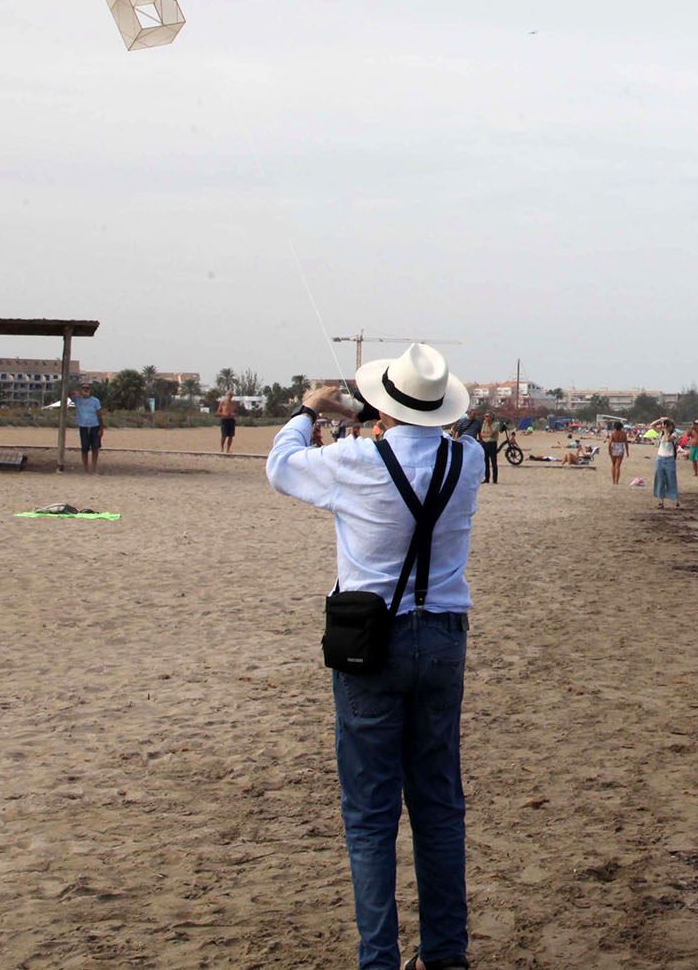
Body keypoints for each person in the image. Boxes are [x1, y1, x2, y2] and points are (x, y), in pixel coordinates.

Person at [264, 343, 476, 970]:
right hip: (442, 636)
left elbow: (281, 465)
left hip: (371, 642)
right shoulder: (464, 462)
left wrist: (310, 409)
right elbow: (441, 437)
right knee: (438, 804)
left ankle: (378, 959)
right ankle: (445, 955)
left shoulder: (354, 460)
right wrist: (371, 418)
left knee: (370, 811)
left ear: (384, 408)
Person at [72, 383, 104, 474]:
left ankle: (94, 468)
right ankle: (85, 469)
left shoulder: (95, 401)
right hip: (83, 427)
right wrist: (75, 392)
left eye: (87, 388)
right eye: (84, 388)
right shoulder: (78, 399)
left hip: (94, 426)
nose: (86, 390)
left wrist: (101, 428)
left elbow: (99, 414)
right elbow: (68, 394)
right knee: (84, 448)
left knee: (95, 448)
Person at [652, 416, 682, 509]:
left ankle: (676, 501)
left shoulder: (675, 434)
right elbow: (652, 425)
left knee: (671, 480)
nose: (666, 427)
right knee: (660, 480)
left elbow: (668, 439)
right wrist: (660, 420)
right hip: (660, 458)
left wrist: (665, 430)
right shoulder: (661, 433)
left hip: (670, 459)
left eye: (668, 426)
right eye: (666, 426)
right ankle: (661, 502)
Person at [606, 420, 628, 485]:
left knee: (613, 465)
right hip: (620, 447)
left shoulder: (613, 433)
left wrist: (609, 451)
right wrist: (627, 452)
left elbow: (609, 443)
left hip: (614, 447)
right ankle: (616, 481)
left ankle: (613, 481)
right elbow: (626, 443)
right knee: (618, 466)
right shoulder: (623, 434)